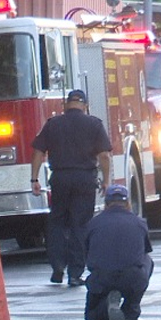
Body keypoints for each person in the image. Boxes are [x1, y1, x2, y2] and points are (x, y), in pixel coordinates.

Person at [30, 89, 112, 287]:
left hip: (60, 178)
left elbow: (38, 152)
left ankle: (57, 267)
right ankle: (75, 273)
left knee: (56, 222)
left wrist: (34, 179)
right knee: (80, 225)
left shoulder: (53, 124)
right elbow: (104, 156)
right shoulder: (94, 124)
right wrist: (106, 180)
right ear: (85, 105)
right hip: (84, 179)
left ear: (66, 105)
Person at [83, 184, 154, 320]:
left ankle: (106, 305)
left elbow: (86, 252)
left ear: (106, 204)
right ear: (127, 203)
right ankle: (130, 312)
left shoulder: (93, 223)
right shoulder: (140, 223)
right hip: (131, 279)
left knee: (92, 318)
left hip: (102, 278)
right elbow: (145, 251)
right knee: (147, 261)